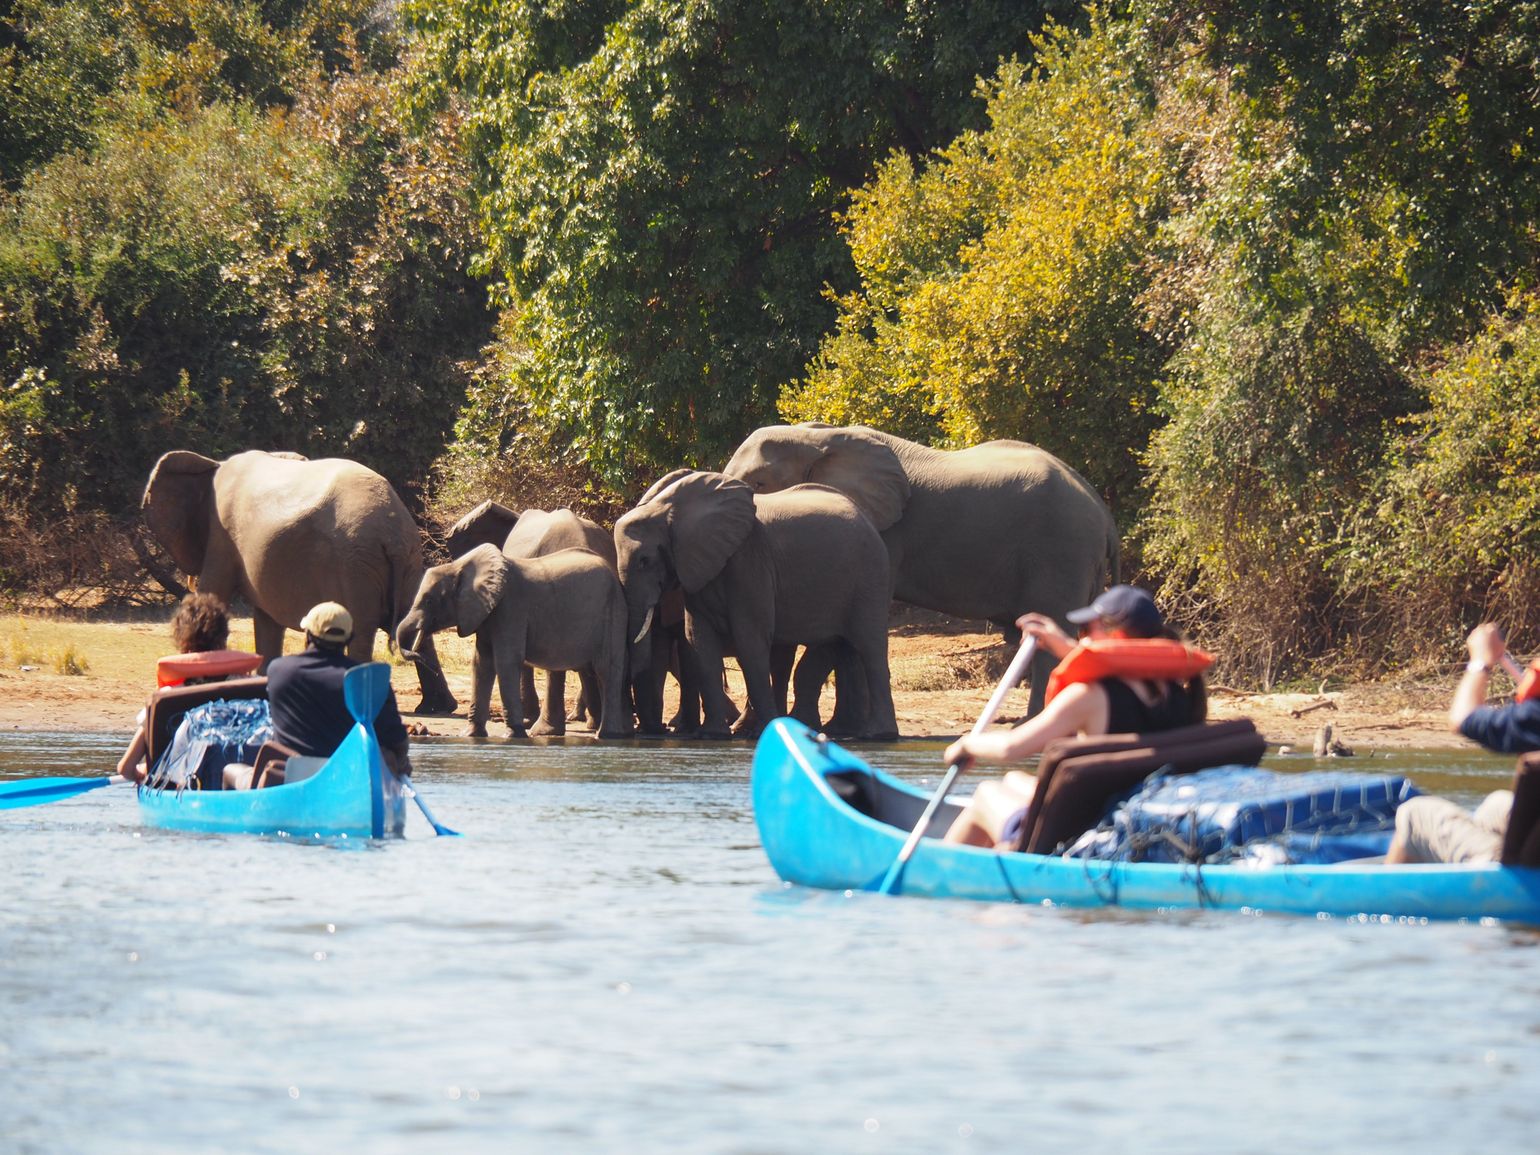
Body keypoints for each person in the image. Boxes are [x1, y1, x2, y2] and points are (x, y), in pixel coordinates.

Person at [941, 585, 1209, 848]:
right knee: (1014, 780)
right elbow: (1115, 668)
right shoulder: (1177, 692)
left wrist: (966, 742)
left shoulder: (1088, 696)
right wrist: (1063, 646)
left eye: (1085, 631)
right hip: (1125, 818)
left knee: (986, 793)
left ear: (1113, 634)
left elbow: (1012, 747)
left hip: (1083, 835)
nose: (1081, 640)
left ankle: (937, 871)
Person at [225, 601, 412, 788]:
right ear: (349, 639)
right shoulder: (368, 680)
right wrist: (400, 764)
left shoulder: (279, 670)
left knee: (230, 771)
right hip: (349, 783)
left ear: (308, 636)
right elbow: (397, 741)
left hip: (291, 782)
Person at [1385, 623, 1530, 864]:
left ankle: (1384, 899)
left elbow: (1464, 718)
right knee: (1496, 805)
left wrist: (1481, 662)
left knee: (1415, 814)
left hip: (1530, 871)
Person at [116, 593, 261, 783]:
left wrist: (142, 774)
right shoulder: (251, 688)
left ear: (183, 647)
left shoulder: (166, 699)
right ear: (223, 640)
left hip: (184, 789)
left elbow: (125, 768)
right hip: (243, 784)